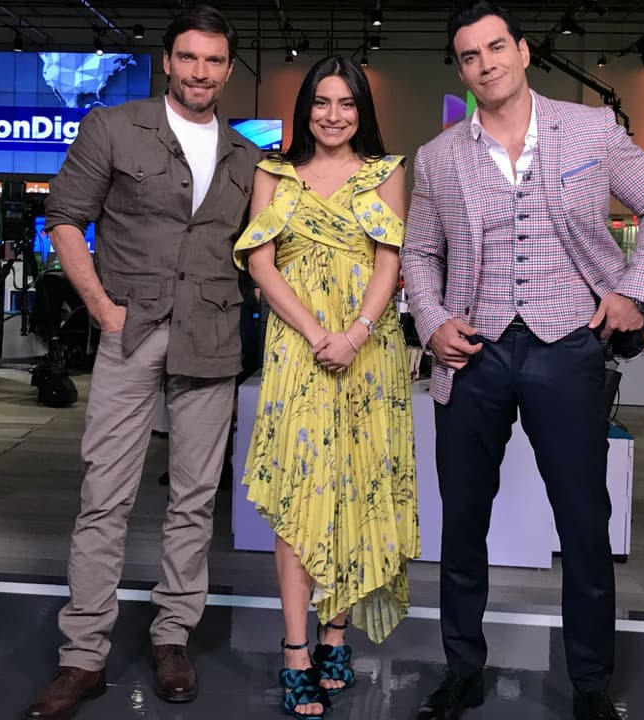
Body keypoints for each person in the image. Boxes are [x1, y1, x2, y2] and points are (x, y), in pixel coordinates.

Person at [400, 4, 644, 720]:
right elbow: (419, 252)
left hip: (569, 345)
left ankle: (590, 684)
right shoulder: (438, 157)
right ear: (460, 69)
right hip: (474, 352)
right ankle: (462, 669)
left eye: (497, 47)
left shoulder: (591, 129)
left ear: (523, 52)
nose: (486, 63)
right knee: (463, 520)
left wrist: (635, 292)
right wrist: (431, 322)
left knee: (584, 521)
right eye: (470, 55)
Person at [23, 7, 260, 720]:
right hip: (131, 331)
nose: (200, 72)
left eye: (213, 60)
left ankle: (172, 637)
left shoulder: (247, 156)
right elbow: (65, 218)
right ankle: (83, 654)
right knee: (106, 495)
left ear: (227, 69)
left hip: (211, 337)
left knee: (194, 500)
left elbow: (264, 253)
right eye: (188, 57)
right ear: (167, 61)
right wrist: (101, 308)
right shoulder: (113, 127)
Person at [233, 55, 417, 720]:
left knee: (355, 490)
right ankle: (294, 651)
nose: (333, 115)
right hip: (298, 345)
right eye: (321, 102)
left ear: (362, 110)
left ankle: (335, 635)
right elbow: (260, 264)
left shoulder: (386, 172)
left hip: (369, 349)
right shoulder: (274, 172)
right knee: (299, 493)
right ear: (304, 108)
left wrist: (356, 333)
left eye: (346, 103)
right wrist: (318, 334)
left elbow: (390, 261)